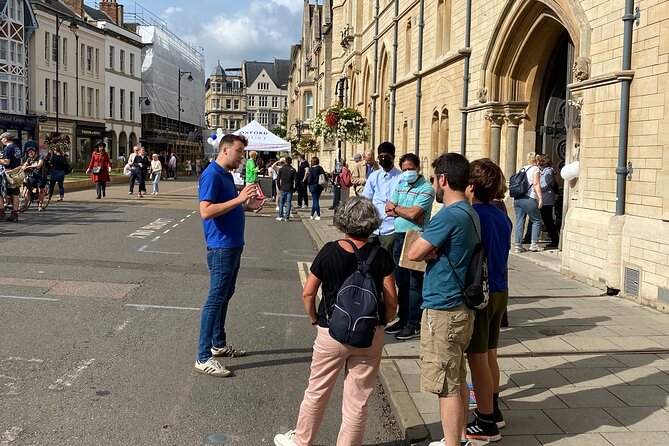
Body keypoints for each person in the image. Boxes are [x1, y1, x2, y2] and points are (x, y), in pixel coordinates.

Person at [273, 196, 398, 446]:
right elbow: (392, 301)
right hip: (368, 334)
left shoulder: (330, 251)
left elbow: (308, 293)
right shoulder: (381, 256)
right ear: (371, 223)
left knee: (317, 391)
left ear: (343, 222)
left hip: (331, 330)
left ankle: (301, 441)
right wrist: (382, 322)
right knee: (358, 401)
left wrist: (314, 320)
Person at [407, 152, 479, 446]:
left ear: (444, 180)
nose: (433, 184)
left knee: (445, 385)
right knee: (458, 375)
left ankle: (451, 444)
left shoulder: (448, 215)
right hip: (462, 308)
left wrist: (427, 249)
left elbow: (413, 252)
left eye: (435, 178)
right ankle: (459, 437)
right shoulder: (470, 211)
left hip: (443, 308)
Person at [195, 134, 261, 377]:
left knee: (225, 295)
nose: (242, 156)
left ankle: (218, 344)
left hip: (232, 244)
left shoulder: (224, 174)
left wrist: (245, 206)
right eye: (239, 151)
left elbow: (227, 206)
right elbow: (206, 211)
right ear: (224, 150)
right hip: (221, 247)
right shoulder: (212, 174)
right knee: (215, 299)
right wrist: (240, 198)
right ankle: (203, 357)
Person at [463, 158, 512, 443]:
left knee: (477, 357)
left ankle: (486, 422)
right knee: (491, 354)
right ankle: (494, 411)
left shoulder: (473, 215)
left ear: (471, 186)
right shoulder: (500, 215)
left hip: (481, 292)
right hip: (500, 290)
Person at [384, 153, 435, 340]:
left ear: (418, 168)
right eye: (404, 170)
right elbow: (387, 209)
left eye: (411, 169)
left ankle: (414, 323)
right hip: (399, 237)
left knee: (415, 283)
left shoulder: (427, 189)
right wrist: (403, 211)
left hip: (415, 237)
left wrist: (397, 210)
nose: (407, 173)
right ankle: (403, 317)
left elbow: (414, 214)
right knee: (401, 282)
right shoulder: (401, 184)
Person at [361, 142, 402, 254]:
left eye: (386, 157)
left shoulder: (401, 178)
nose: (383, 159)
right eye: (380, 157)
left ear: (393, 157)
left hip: (391, 227)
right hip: (374, 226)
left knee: (386, 260)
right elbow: (366, 199)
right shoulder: (374, 176)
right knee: (368, 257)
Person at [513, 152, 543, 253]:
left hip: (518, 198)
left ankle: (518, 246)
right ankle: (534, 244)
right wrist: (540, 198)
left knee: (519, 220)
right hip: (529, 197)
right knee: (536, 220)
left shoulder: (522, 168)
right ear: (536, 160)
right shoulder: (535, 169)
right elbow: (536, 183)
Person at [538, 155, 559, 248]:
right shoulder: (543, 171)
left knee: (548, 220)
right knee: (546, 220)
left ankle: (555, 240)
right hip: (544, 198)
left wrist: (536, 188)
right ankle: (554, 239)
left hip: (547, 199)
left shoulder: (548, 172)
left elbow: (544, 185)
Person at [0, 132, 22, 222]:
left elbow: (6, 162)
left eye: (1, 138)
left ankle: (1, 212)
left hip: (8, 173)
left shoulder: (8, 148)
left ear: (5, 139)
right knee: (15, 193)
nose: (1, 140)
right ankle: (14, 214)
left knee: (0, 192)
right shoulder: (17, 147)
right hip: (16, 172)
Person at [22, 146, 47, 211]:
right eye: (28, 152)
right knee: (28, 190)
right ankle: (25, 205)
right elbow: (24, 165)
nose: (30, 153)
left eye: (31, 151)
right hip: (32, 176)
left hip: (41, 176)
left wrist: (29, 166)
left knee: (40, 190)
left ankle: (40, 205)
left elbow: (39, 165)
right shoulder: (29, 159)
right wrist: (23, 167)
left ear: (35, 152)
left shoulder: (41, 157)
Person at [276, 156, 296, 222]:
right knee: (288, 202)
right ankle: (287, 217)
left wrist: (279, 187)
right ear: (291, 162)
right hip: (290, 187)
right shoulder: (293, 170)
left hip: (283, 187)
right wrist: (295, 188)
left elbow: (278, 179)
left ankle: (280, 216)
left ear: (285, 162)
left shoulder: (281, 169)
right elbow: (296, 180)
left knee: (281, 202)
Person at [306, 156, 325, 220]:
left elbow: (310, 179)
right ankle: (311, 215)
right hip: (320, 186)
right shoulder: (320, 168)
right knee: (315, 200)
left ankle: (318, 215)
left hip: (313, 187)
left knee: (315, 201)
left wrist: (307, 182)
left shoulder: (311, 169)